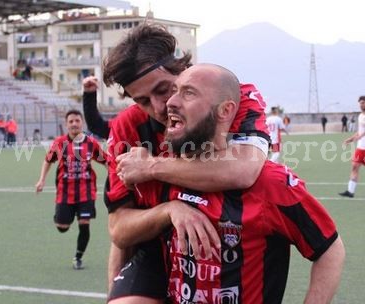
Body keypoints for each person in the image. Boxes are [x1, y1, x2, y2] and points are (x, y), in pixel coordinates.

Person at [114, 64, 345, 303]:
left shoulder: (271, 184)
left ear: (225, 111)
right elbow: (121, 234)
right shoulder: (160, 174)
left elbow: (329, 249)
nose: (170, 102)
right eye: (174, 91)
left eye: (188, 93)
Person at [82, 23, 270, 303]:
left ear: (183, 69)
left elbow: (243, 169)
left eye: (163, 89)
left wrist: (151, 167)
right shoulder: (129, 127)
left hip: (233, 245)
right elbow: (119, 230)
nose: (159, 107)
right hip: (160, 245)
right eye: (143, 100)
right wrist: (169, 210)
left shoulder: (233, 98)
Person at [35, 109, 107, 269]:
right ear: (66, 125)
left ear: (82, 123)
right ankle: (62, 218)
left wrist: (118, 176)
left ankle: (78, 257)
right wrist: (41, 180)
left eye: (77, 121)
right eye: (71, 121)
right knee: (62, 227)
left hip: (86, 193)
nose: (74, 124)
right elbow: (48, 161)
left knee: (84, 223)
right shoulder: (60, 143)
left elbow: (106, 161)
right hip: (65, 193)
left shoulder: (91, 143)